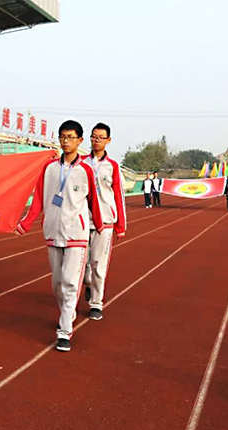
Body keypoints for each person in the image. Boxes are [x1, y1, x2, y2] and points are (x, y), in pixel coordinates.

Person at [14, 120, 104, 353]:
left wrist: (100, 225)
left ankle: (64, 331)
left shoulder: (85, 170)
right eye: (62, 136)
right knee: (57, 284)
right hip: (53, 231)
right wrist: (26, 223)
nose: (66, 141)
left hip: (77, 233)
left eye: (71, 137)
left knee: (70, 282)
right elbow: (39, 199)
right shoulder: (49, 168)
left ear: (80, 141)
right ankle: (69, 310)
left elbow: (93, 200)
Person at [82, 123, 126, 321]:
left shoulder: (114, 167)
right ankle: (88, 282)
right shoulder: (81, 162)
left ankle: (96, 303)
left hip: (106, 221)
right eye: (93, 136)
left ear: (108, 140)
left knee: (99, 264)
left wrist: (121, 226)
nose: (96, 140)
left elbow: (118, 195)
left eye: (101, 137)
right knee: (82, 267)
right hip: (81, 220)